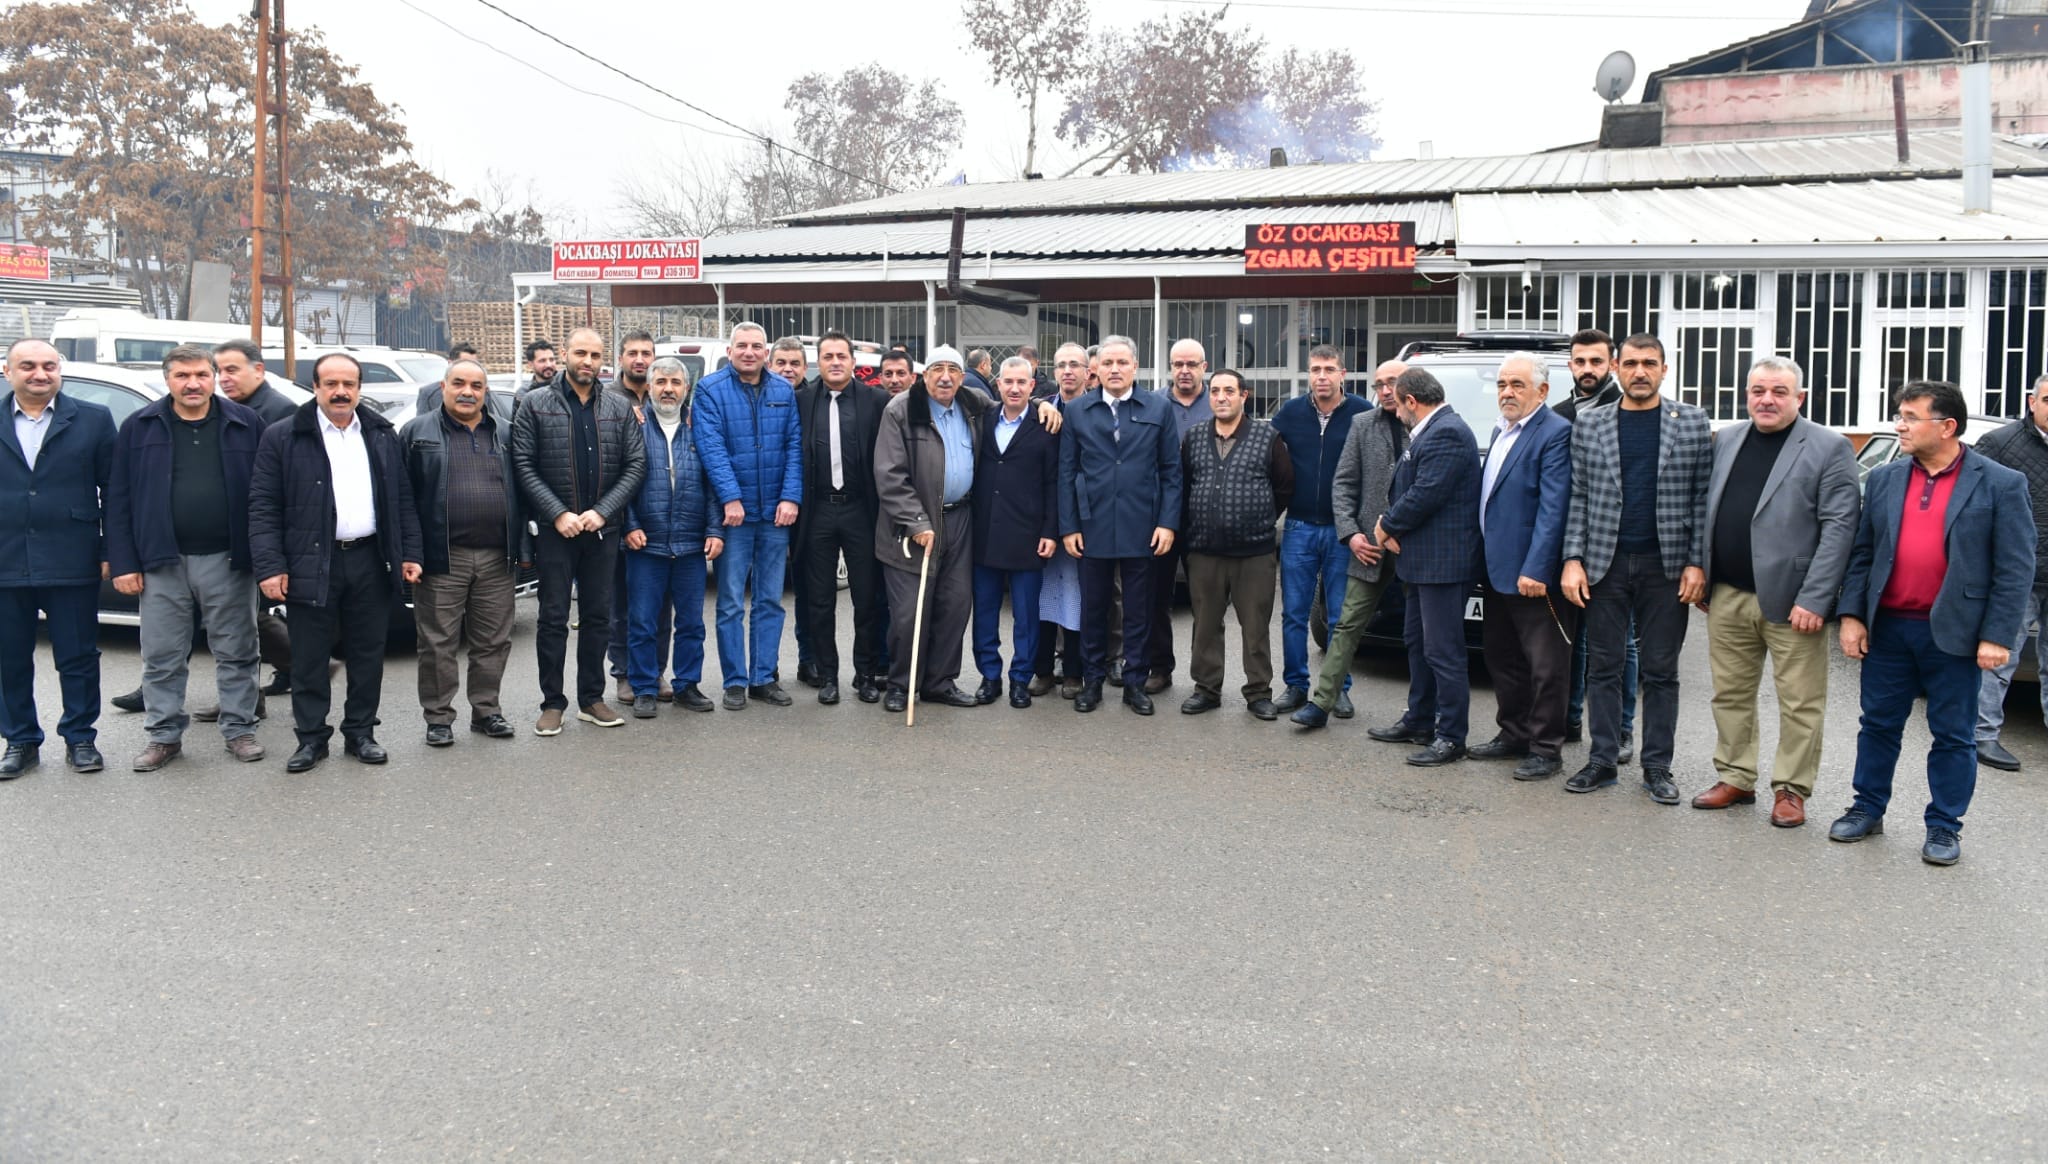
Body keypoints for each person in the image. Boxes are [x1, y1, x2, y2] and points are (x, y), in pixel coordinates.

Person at [1834, 381, 2035, 867]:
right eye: (1898, 414)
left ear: (1946, 426)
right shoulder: (1884, 479)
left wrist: (1996, 636)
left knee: (1953, 734)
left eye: (1909, 416)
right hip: (1890, 630)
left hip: (1956, 635)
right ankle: (1867, 807)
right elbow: (1863, 555)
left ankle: (1944, 825)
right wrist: (1852, 616)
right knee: (1878, 725)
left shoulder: (2001, 483)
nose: (1899, 424)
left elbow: (2015, 568)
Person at [1691, 356, 1860, 827]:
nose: (1767, 399)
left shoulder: (1830, 446)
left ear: (1799, 398)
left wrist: (1816, 598)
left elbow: (1840, 527)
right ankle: (1736, 776)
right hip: (1727, 593)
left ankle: (1791, 789)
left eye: (1779, 392)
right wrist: (1704, 570)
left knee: (1801, 702)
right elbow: (1709, 508)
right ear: (1746, 395)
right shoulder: (1726, 438)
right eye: (1758, 390)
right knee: (1730, 694)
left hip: (1794, 601)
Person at [248, 352, 423, 772]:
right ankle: (311, 739)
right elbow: (263, 506)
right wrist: (271, 567)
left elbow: (401, 501)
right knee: (309, 656)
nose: (341, 392)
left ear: (359, 388)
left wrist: (410, 553)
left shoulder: (381, 434)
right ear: (316, 388)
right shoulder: (284, 436)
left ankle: (361, 733)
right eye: (331, 384)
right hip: (311, 561)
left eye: (349, 384)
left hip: (370, 559)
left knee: (367, 654)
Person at [1559, 333, 1713, 805]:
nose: (1639, 371)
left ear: (1665, 369)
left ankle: (1657, 767)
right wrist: (1572, 559)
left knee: (1661, 672)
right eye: (1630, 364)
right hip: (1604, 563)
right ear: (1617, 369)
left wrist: (1696, 562)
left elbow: (1703, 498)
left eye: (1649, 363)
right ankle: (1603, 760)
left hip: (1665, 568)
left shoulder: (1691, 422)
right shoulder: (1592, 423)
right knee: (1603, 667)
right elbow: (1579, 496)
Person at [106, 345, 266, 771]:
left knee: (237, 650)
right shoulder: (139, 426)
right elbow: (118, 498)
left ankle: (239, 729)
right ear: (167, 380)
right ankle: (164, 736)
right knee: (161, 655)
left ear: (214, 377)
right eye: (182, 376)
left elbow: (269, 493)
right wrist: (122, 562)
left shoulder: (245, 423)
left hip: (229, 559)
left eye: (201, 374)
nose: (192, 383)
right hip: (161, 560)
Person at [510, 326, 648, 735]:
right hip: (557, 533)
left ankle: (591, 698)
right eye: (580, 353)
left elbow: (635, 464)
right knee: (552, 618)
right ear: (565, 354)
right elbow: (523, 463)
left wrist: (604, 511)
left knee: (597, 617)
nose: (587, 361)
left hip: (602, 532)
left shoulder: (619, 406)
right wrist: (557, 513)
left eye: (595, 355)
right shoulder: (535, 404)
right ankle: (552, 703)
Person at [0, 339, 116, 778]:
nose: (39, 374)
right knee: (9, 657)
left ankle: (81, 738)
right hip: (6, 558)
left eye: (49, 365)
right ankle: (20, 740)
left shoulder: (93, 419)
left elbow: (115, 491)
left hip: (73, 557)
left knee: (78, 656)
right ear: (7, 371)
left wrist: (111, 551)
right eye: (27, 365)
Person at [399, 357, 525, 746]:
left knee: (493, 641)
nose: (467, 392)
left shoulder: (507, 432)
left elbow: (525, 492)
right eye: (459, 383)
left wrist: (524, 549)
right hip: (442, 557)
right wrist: (410, 552)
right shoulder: (416, 433)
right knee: (437, 643)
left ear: (485, 392)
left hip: (496, 557)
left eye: (475, 385)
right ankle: (438, 718)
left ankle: (487, 711)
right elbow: (403, 498)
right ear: (443, 387)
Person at [1463, 354, 1574, 780]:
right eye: (1503, 384)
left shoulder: (1555, 433)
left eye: (1517, 385)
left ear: (1542, 392)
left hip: (1532, 576)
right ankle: (1513, 734)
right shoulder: (1501, 429)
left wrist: (1538, 568)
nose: (1507, 392)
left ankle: (1546, 748)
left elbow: (1553, 508)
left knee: (1546, 666)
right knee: (1502, 658)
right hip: (1496, 570)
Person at [1058, 335, 1182, 715]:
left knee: (1139, 610)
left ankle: (1134, 684)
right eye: (1108, 363)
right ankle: (1092, 681)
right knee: (1092, 608)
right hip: (1091, 524)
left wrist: (1167, 523)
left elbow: (1171, 471)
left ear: (1135, 367)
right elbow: (1066, 471)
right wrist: (1069, 526)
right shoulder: (1078, 411)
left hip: (1142, 526)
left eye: (1122, 363)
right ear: (1096, 368)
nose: (1114, 369)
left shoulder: (1158, 409)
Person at [1364, 367, 1480, 766]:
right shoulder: (1431, 429)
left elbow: (1426, 493)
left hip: (1443, 565)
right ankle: (1419, 719)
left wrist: (1386, 525)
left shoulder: (1447, 431)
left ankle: (1451, 735)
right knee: (1417, 644)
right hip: (1420, 562)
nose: (1396, 413)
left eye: (1398, 405)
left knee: (1444, 652)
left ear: (1412, 401)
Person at [693, 322, 803, 710]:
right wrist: (731, 498)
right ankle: (735, 681)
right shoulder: (709, 390)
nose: (750, 352)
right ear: (730, 350)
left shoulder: (783, 391)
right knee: (729, 603)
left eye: (757, 346)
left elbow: (794, 446)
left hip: (775, 515)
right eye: (742, 346)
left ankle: (763, 677)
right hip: (735, 517)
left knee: (770, 600)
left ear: (766, 352)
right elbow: (711, 448)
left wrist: (791, 497)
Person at [1295, 361, 1407, 730]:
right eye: (1380, 384)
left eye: (1393, 382)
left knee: (1425, 635)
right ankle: (1322, 702)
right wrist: (1352, 534)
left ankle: (1424, 713)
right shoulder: (1364, 424)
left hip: (1415, 549)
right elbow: (1342, 484)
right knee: (1344, 624)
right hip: (1369, 547)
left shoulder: (1430, 426)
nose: (1386, 390)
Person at [873, 346, 986, 711]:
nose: (945, 377)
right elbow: (890, 474)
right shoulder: (902, 410)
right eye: (937, 369)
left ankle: (940, 682)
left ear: (962, 376)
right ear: (924, 376)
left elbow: (1015, 411)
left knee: (954, 606)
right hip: (912, 526)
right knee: (909, 611)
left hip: (960, 519)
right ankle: (902, 685)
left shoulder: (975, 406)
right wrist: (917, 521)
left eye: (952, 370)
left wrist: (1044, 405)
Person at [1179, 369, 1292, 719]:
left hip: (1253, 553)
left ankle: (1258, 692)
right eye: (1215, 391)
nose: (1221, 397)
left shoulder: (1267, 436)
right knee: (1206, 624)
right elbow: (1184, 486)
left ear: (1244, 395)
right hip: (1204, 551)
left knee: (1256, 626)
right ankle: (1206, 689)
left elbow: (1284, 486)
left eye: (1229, 390)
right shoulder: (1195, 437)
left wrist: (1256, 518)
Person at [1270, 345, 1371, 713]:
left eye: (1329, 369)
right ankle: (1295, 685)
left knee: (1340, 616)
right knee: (1294, 613)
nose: (1322, 376)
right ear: (1308, 374)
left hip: (1343, 531)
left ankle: (1337, 687)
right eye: (1315, 369)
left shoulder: (1363, 413)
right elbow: (1268, 456)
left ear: (1343, 374)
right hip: (1297, 527)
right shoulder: (1291, 413)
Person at [796, 331, 889, 705]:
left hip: (859, 510)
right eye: (828, 356)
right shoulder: (801, 401)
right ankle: (827, 675)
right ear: (818, 362)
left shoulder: (876, 401)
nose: (835, 362)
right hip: (817, 509)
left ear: (854, 362)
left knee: (867, 598)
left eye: (842, 356)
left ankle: (865, 674)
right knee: (819, 601)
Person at [622, 357, 718, 717]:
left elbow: (712, 485)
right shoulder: (634, 427)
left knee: (691, 622)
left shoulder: (700, 428)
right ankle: (645, 686)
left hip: (691, 543)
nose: (668, 389)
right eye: (661, 381)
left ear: (686, 389)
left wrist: (714, 529)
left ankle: (687, 685)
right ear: (648, 387)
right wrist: (629, 525)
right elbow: (621, 482)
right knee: (643, 621)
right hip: (646, 542)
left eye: (676, 382)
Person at [1557, 327, 1636, 754]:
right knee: (1572, 639)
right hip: (1569, 543)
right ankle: (1568, 720)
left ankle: (1622, 730)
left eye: (1597, 361)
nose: (1588, 369)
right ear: (1570, 364)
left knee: (1618, 643)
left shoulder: (1627, 408)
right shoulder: (1559, 412)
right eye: (1580, 361)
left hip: (1615, 546)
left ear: (1612, 364)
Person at [970, 356, 1060, 708]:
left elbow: (1054, 482)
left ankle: (1020, 679)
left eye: (1022, 382)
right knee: (986, 613)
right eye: (1008, 381)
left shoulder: (1046, 425)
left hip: (1028, 534)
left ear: (1032, 386)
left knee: (1026, 615)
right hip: (985, 533)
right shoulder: (981, 418)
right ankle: (989, 676)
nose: (1014, 388)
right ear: (998, 384)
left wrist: (1051, 531)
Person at [1969, 370, 2048, 771]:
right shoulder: (1999, 444)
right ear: (2032, 402)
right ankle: (1982, 736)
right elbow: (1973, 505)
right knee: (2000, 659)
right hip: (2017, 576)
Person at [1141, 338, 1215, 695]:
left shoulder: (1218, 403)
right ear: (1170, 367)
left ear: (1204, 366)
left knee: (1206, 601)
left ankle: (1206, 677)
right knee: (1157, 597)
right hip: (1160, 517)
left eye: (1192, 364)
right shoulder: (1153, 404)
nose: (1184, 371)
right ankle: (1159, 667)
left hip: (1205, 517)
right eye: (1177, 364)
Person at [1032, 342, 1091, 698]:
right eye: (1060, 365)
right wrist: (1038, 403)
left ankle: (1074, 671)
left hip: (1084, 520)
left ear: (1088, 371)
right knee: (1043, 596)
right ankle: (1042, 671)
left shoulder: (1097, 410)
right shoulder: (1041, 410)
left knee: (1077, 597)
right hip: (1042, 521)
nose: (1067, 371)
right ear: (1053, 372)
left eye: (1074, 364)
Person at [605, 330, 658, 701]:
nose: (640, 359)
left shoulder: (669, 396)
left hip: (660, 517)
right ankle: (624, 672)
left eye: (646, 353)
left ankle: (655, 671)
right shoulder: (607, 399)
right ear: (620, 358)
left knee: (658, 605)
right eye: (633, 353)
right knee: (620, 604)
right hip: (618, 515)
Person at [215, 339, 299, 426]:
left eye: (231, 370)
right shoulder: (222, 409)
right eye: (219, 372)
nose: (223, 379)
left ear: (258, 370)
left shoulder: (282, 410)